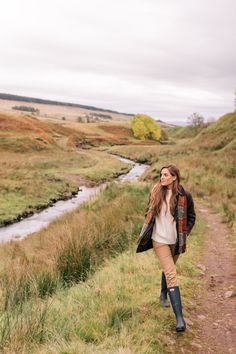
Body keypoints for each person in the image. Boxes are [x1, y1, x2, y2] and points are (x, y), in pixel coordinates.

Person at [136, 164, 196, 332]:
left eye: (165, 175)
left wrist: (185, 233)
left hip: (176, 242)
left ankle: (163, 293)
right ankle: (179, 319)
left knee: (169, 268)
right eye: (161, 175)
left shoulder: (185, 196)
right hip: (159, 240)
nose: (162, 178)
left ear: (174, 177)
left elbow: (191, 217)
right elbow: (148, 212)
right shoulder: (156, 192)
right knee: (171, 273)